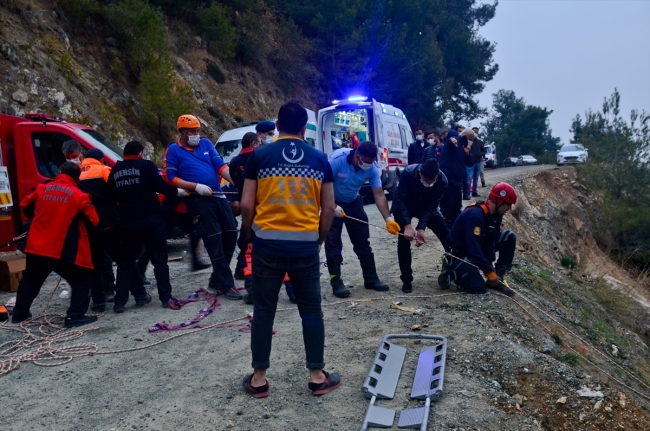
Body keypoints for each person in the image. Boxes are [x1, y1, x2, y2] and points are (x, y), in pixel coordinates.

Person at [240, 101, 340, 398]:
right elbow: (330, 208)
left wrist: (250, 235)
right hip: (305, 248)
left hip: (267, 247)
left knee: (264, 311)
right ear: (302, 128)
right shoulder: (320, 159)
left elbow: (246, 205)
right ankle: (316, 376)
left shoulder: (259, 155)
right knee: (311, 311)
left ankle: (259, 380)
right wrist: (319, 239)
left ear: (277, 125)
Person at [12, 162, 100, 328]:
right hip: (62, 249)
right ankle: (74, 317)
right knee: (82, 279)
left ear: (59, 172)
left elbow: (25, 207)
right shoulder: (79, 195)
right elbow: (93, 221)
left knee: (30, 281)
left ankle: (19, 314)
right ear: (77, 178)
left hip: (36, 246)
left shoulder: (41, 189)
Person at [163, 115, 241, 300]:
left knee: (231, 231)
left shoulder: (206, 144)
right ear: (182, 132)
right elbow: (169, 177)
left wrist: (237, 183)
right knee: (213, 238)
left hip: (217, 194)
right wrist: (194, 186)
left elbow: (221, 167)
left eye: (198, 131)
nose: (196, 135)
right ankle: (226, 284)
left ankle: (217, 278)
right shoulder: (173, 150)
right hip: (198, 198)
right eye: (192, 132)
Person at [109, 141, 185, 312]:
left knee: (126, 263)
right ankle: (166, 298)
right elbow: (160, 186)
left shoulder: (115, 170)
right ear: (141, 153)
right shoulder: (146, 166)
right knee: (159, 261)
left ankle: (119, 302)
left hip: (128, 224)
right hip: (151, 221)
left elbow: (111, 195)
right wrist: (177, 191)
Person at [325, 141, 400, 298]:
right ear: (357, 156)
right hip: (333, 202)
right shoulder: (336, 161)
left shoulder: (372, 168)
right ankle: (336, 282)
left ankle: (371, 278)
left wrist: (388, 219)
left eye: (371, 162)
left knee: (362, 242)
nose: (369, 165)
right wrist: (332, 206)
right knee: (333, 244)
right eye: (366, 162)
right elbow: (321, 186)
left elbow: (379, 194)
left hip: (353, 202)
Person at [439, 182, 517, 297]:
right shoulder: (475, 215)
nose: (509, 208)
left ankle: (498, 279)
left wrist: (492, 272)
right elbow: (473, 248)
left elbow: (491, 242)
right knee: (479, 288)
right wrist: (488, 271)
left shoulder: (496, 215)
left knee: (509, 237)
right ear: (499, 202)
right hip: (460, 252)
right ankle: (450, 270)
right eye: (508, 205)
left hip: (478, 245)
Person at [390, 159, 449, 293]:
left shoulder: (443, 182)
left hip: (426, 206)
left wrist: (421, 228)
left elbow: (431, 207)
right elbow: (401, 200)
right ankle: (406, 279)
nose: (428, 184)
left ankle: (451, 268)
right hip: (404, 205)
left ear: (437, 176)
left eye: (431, 181)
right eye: (425, 180)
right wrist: (407, 225)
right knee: (404, 239)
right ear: (419, 172)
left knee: (446, 233)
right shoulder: (408, 173)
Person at [78, 149, 119, 311]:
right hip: (108, 222)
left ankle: (98, 300)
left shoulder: (76, 173)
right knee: (123, 259)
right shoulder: (103, 169)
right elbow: (117, 191)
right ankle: (137, 294)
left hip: (88, 226)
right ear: (101, 159)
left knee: (95, 262)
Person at [438, 129, 474, 228]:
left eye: (472, 140)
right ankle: (445, 234)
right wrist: (452, 140)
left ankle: (453, 234)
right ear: (465, 137)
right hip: (447, 182)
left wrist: (467, 153)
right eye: (470, 139)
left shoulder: (464, 147)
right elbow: (450, 143)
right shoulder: (453, 143)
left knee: (456, 209)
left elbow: (471, 163)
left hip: (458, 183)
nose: (471, 142)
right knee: (447, 210)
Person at [467, 128, 485, 198]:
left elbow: (483, 151)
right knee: (469, 177)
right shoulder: (468, 141)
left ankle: (474, 192)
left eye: (476, 132)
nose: (475, 133)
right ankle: (467, 193)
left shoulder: (480, 142)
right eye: (474, 132)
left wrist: (480, 154)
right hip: (470, 162)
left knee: (476, 177)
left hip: (478, 161)